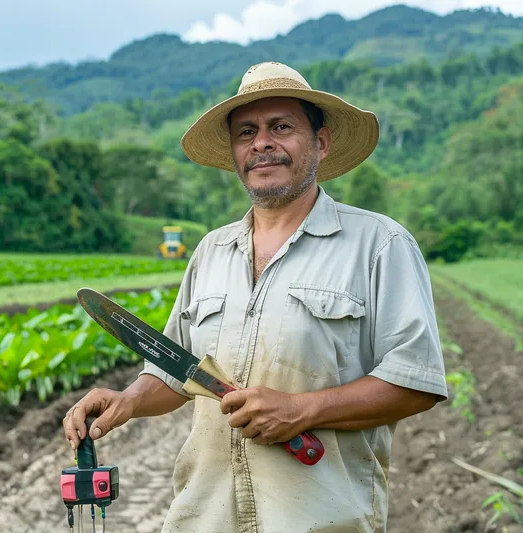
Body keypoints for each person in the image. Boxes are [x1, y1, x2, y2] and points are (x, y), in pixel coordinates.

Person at [62, 61, 449, 533]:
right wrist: (128, 399)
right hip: (203, 518)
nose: (261, 142)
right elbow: (180, 373)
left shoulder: (379, 245)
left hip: (318, 521)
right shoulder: (211, 251)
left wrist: (301, 409)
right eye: (246, 132)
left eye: (280, 126)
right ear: (235, 153)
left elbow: (416, 380)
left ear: (321, 142)